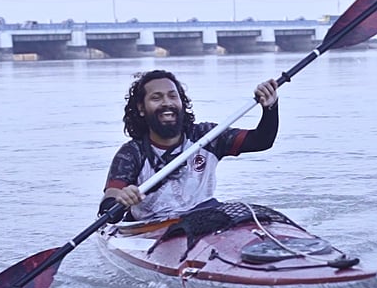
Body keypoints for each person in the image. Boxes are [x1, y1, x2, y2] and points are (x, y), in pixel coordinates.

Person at [100, 69, 279, 222]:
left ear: (181, 102)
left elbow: (261, 141)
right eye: (156, 98)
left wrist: (270, 107)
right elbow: (108, 204)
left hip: (204, 220)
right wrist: (122, 200)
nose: (167, 103)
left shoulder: (207, 136)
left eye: (172, 96)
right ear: (141, 108)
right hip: (149, 228)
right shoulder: (131, 153)